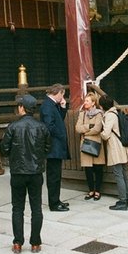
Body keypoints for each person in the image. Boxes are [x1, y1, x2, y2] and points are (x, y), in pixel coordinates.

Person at [0, 94, 50, 254]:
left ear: (22, 108)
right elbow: (47, 147)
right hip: (35, 171)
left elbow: (4, 148)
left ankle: (18, 242)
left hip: (18, 171)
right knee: (36, 208)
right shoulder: (42, 127)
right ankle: (35, 243)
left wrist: (14, 156)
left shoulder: (13, 127)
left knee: (17, 208)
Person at [99, 94, 128, 211]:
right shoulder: (117, 112)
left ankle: (122, 201)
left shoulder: (109, 116)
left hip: (115, 147)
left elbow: (106, 134)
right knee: (124, 173)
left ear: (102, 106)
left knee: (118, 174)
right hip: (122, 145)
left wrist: (100, 133)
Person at [40, 83, 70, 211]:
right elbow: (49, 126)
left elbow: (59, 120)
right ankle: (53, 203)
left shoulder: (52, 105)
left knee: (56, 175)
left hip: (55, 145)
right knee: (53, 176)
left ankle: (56, 200)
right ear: (58, 93)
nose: (63, 98)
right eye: (62, 95)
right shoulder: (47, 105)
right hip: (53, 146)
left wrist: (63, 107)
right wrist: (61, 134)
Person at [75, 91, 105, 201]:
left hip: (96, 143)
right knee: (88, 169)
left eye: (87, 101)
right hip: (85, 144)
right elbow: (78, 128)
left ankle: (98, 191)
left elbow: (97, 128)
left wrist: (85, 133)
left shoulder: (99, 114)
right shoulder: (82, 114)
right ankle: (91, 190)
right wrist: (89, 126)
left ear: (93, 103)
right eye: (85, 100)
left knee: (98, 168)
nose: (85, 102)